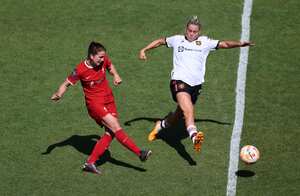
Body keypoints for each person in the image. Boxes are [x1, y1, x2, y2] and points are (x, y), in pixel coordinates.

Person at [139, 16, 254, 152]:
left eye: (194, 32)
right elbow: (160, 41)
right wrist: (144, 49)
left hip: (195, 86)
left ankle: (161, 125)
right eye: (189, 30)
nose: (191, 33)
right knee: (189, 111)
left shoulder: (204, 42)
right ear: (186, 30)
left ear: (199, 32)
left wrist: (240, 44)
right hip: (179, 81)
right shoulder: (177, 40)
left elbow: (224, 44)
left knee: (179, 114)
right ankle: (195, 137)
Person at [51, 41, 152, 174]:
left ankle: (90, 163)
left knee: (110, 133)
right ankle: (140, 153)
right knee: (116, 128)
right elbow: (66, 84)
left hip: (109, 100)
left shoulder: (103, 60)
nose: (103, 59)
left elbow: (110, 66)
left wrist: (115, 75)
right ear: (91, 56)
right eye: (100, 57)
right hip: (95, 104)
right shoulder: (80, 69)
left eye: (104, 57)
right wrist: (59, 94)